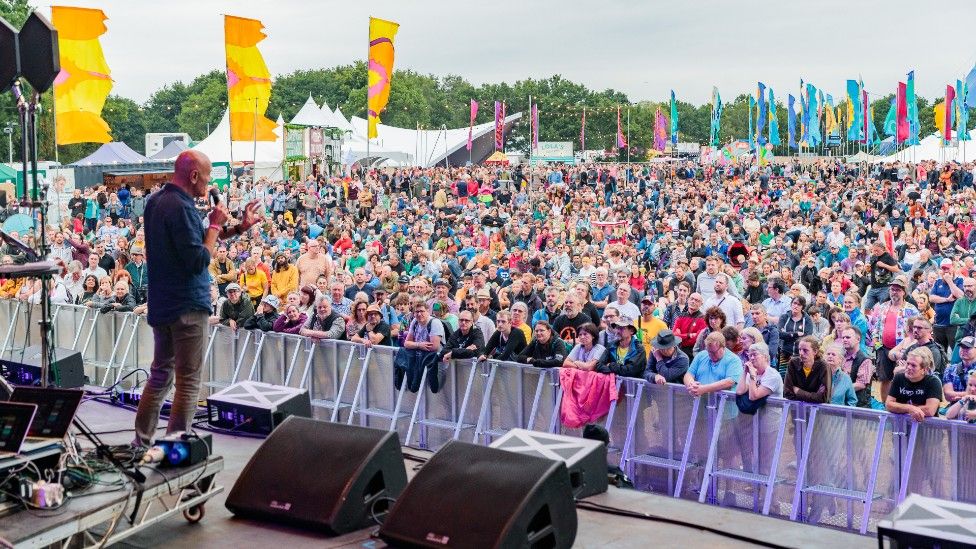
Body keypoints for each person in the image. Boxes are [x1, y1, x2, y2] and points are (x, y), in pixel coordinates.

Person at [134, 149, 261, 448]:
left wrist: (240, 227)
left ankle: (140, 444)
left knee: (160, 375)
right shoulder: (182, 207)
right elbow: (199, 259)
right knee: (188, 381)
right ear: (193, 176)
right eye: (206, 178)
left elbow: (194, 241)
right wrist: (216, 223)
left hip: (162, 303)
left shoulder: (156, 202)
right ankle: (174, 447)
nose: (208, 185)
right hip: (187, 307)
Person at [885, 346, 943, 422]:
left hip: (925, 426)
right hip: (902, 426)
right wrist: (910, 408)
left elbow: (930, 410)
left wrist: (900, 407)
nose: (909, 367)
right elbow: (889, 405)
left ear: (924, 370)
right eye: (908, 363)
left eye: (913, 365)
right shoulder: (899, 378)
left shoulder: (933, 382)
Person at [684, 331, 742, 397]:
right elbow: (688, 374)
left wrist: (703, 389)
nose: (711, 355)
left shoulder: (734, 360)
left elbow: (729, 382)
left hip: (724, 403)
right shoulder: (701, 355)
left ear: (723, 347)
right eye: (709, 351)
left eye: (714, 352)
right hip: (702, 402)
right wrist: (691, 385)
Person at [784, 336, 830, 404]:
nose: (801, 353)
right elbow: (787, 393)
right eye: (800, 349)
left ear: (815, 351)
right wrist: (814, 396)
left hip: (817, 411)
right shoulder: (793, 363)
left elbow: (822, 398)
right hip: (797, 409)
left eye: (805, 350)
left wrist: (798, 391)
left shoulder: (823, 366)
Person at [840, 326, 874, 408]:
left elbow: (861, 384)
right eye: (843, 337)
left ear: (858, 339)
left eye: (848, 337)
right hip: (842, 403)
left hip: (858, 406)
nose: (844, 339)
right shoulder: (841, 357)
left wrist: (839, 390)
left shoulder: (865, 360)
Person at [943, 336, 976, 404]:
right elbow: (947, 395)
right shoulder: (950, 369)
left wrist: (958, 396)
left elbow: (951, 395)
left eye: (967, 347)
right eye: (962, 347)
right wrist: (968, 395)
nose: (963, 350)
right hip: (956, 410)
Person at [824, 342, 857, 406]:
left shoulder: (846, 378)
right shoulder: (817, 375)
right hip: (819, 414)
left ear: (840, 359)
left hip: (837, 415)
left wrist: (844, 414)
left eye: (833, 354)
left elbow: (852, 401)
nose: (830, 356)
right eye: (828, 354)